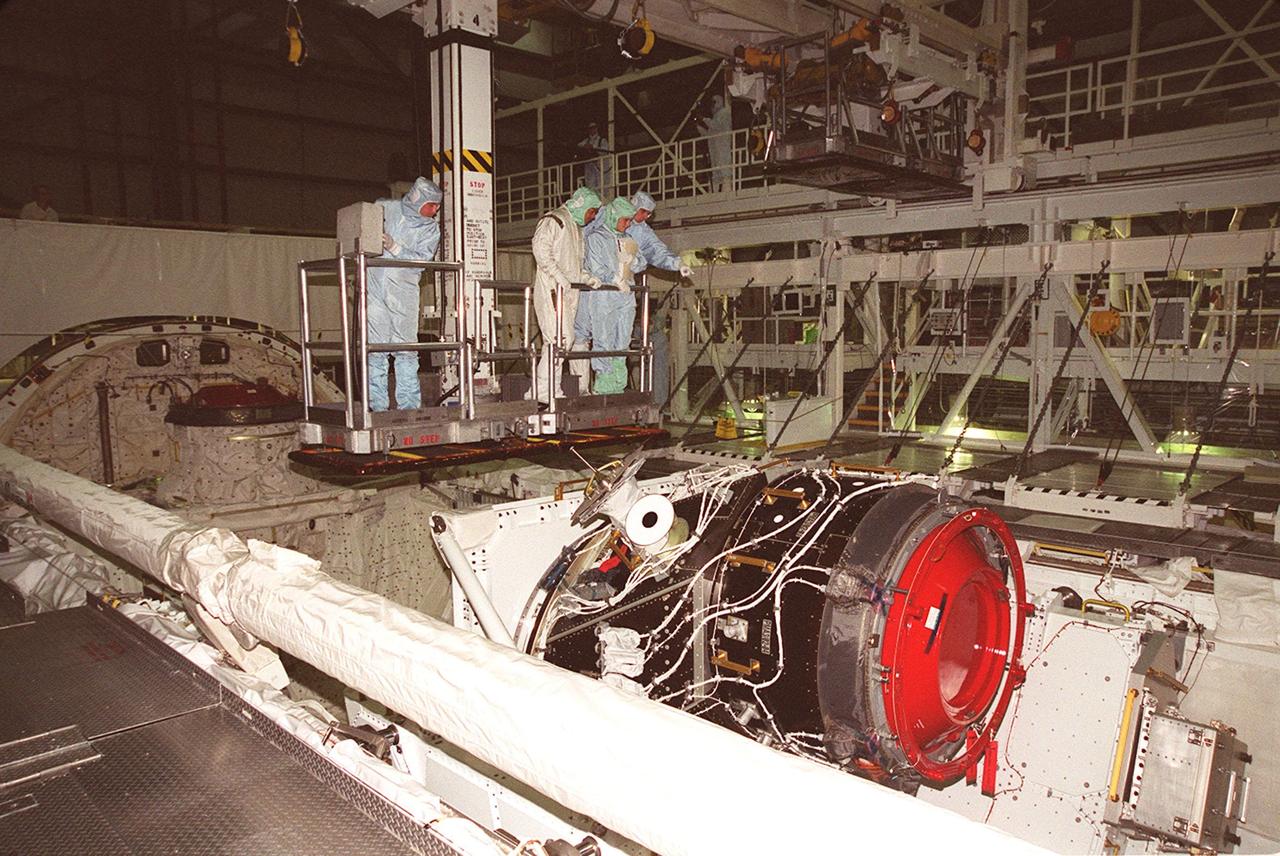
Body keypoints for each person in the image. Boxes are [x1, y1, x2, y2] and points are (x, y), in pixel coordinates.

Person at [367, 176, 441, 412]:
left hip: (404, 293)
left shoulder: (431, 229)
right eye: (432, 205)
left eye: (437, 206)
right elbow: (364, 227)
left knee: (406, 350)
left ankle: (408, 408)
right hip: (374, 289)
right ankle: (377, 408)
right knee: (375, 350)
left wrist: (394, 247)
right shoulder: (385, 208)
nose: (435, 210)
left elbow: (422, 260)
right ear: (417, 199)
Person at [530, 186, 601, 403]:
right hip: (552, 289)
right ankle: (543, 391)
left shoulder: (574, 228)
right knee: (559, 340)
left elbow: (573, 265)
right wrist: (558, 276)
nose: (593, 216)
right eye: (592, 211)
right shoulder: (554, 220)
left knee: (562, 341)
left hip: (567, 292)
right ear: (581, 205)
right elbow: (540, 250)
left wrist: (586, 277)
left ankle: (547, 389)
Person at [625, 191, 694, 407]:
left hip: (623, 290)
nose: (646, 217)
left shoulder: (642, 231)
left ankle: (614, 390)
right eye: (644, 212)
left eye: (649, 214)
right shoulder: (608, 221)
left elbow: (656, 250)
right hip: (602, 288)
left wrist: (677, 264)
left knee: (618, 342)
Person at [578, 196, 640, 396]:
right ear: (613, 216)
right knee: (603, 339)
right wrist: (615, 279)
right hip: (604, 296)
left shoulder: (627, 239)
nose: (628, 224)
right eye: (625, 220)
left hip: (626, 297)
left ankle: (618, 384)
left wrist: (633, 261)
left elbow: (641, 263)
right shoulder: (596, 238)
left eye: (630, 220)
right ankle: (604, 384)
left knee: (623, 340)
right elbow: (597, 268)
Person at [697, 95, 733, 193]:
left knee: (724, 167)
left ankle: (727, 189)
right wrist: (699, 128)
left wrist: (704, 119)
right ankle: (715, 190)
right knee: (715, 169)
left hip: (722, 146)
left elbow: (716, 125)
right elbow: (711, 134)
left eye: (713, 103)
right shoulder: (716, 116)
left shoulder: (724, 113)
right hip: (715, 148)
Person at [578, 121, 611, 195]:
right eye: (590, 128)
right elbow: (579, 145)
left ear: (597, 128)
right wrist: (585, 146)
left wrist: (593, 148)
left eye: (593, 128)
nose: (592, 130)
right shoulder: (586, 141)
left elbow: (605, 150)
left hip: (600, 166)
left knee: (602, 185)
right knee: (590, 185)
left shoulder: (602, 140)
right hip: (590, 167)